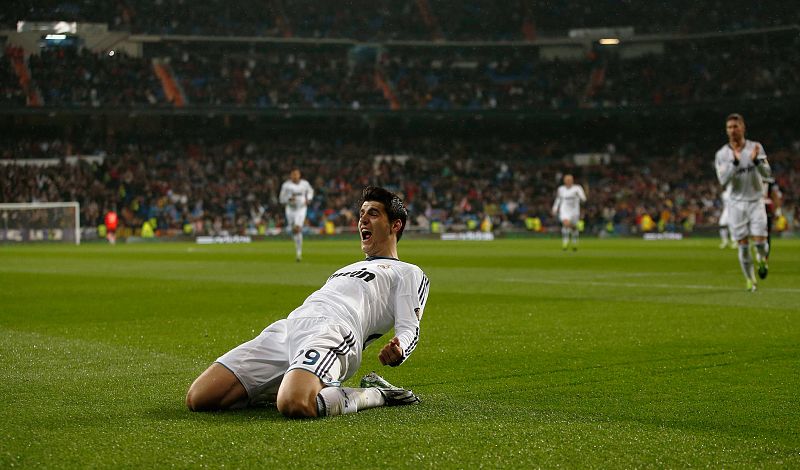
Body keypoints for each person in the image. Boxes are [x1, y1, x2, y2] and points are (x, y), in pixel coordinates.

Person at [186, 186, 430, 418]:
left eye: (373, 214)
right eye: (362, 214)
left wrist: (400, 348)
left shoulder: (408, 272)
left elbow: (410, 328)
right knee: (200, 398)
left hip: (334, 331)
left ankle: (377, 393)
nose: (362, 220)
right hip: (289, 326)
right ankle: (299, 381)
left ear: (395, 225)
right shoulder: (347, 268)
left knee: (295, 403)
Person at [714, 113, 772, 291]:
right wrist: (735, 163)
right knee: (743, 246)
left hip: (756, 202)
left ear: (743, 127)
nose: (732, 130)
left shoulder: (756, 147)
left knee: (761, 243)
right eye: (729, 127)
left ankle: (762, 259)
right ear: (726, 131)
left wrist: (757, 162)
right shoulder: (722, 154)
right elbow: (723, 180)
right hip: (736, 205)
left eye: (735, 126)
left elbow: (767, 174)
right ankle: (750, 280)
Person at [279, 168, 314, 261]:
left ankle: (299, 253)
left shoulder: (305, 184)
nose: (295, 176)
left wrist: (309, 198)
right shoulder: (286, 186)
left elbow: (310, 191)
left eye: (296, 174)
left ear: (299, 175)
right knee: (293, 230)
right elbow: (281, 199)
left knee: (297, 228)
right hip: (290, 210)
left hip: (301, 209)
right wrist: (288, 199)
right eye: (293, 174)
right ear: (291, 176)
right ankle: (297, 248)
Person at [551, 174, 587, 251]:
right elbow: (558, 199)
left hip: (574, 211)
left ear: (572, 180)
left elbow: (584, 199)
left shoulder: (577, 188)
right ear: (564, 181)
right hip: (564, 210)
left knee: (572, 227)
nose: (568, 181)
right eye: (566, 180)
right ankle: (565, 242)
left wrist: (579, 196)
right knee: (566, 223)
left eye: (570, 180)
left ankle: (574, 243)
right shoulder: (561, 189)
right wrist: (554, 208)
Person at [718, 184, 736, 249]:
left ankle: (735, 241)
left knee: (733, 226)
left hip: (735, 210)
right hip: (726, 211)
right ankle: (725, 241)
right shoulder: (723, 194)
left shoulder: (736, 193)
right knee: (722, 224)